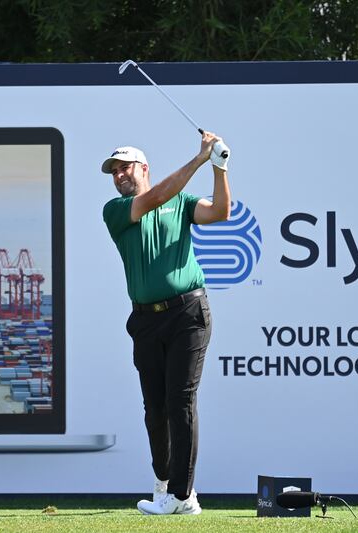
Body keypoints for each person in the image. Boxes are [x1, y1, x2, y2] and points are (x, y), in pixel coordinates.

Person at [101, 131, 231, 515]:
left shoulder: (183, 202)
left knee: (180, 400)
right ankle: (163, 483)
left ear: (143, 167)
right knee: (154, 409)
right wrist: (199, 159)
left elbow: (220, 212)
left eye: (125, 167)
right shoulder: (115, 210)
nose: (119, 175)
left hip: (188, 314)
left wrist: (219, 168)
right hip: (145, 321)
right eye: (114, 171)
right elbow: (156, 197)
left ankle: (182, 496)